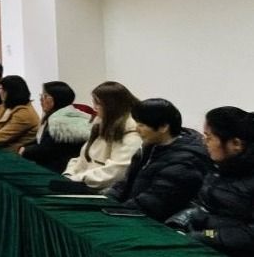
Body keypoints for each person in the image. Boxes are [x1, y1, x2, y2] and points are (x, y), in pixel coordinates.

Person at [167, 107, 254, 256]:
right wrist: (181, 220)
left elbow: (249, 234)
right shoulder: (220, 166)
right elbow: (202, 205)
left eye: (209, 137)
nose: (204, 141)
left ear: (236, 144)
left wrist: (202, 236)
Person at [105, 99, 210, 221]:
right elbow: (125, 184)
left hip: (152, 222)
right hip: (130, 213)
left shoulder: (186, 161)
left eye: (142, 125)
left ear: (163, 127)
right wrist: (105, 200)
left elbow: (154, 203)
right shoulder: (150, 146)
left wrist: (114, 212)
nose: (137, 129)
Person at [63, 81, 142, 190]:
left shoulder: (131, 134)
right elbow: (82, 159)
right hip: (85, 185)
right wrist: (69, 174)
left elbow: (116, 172)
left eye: (98, 104)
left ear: (112, 106)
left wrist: (78, 179)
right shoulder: (100, 125)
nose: (94, 108)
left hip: (104, 192)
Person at [20, 81, 92, 173]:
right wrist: (25, 147)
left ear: (56, 99)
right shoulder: (55, 117)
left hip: (60, 170)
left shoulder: (61, 123)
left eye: (45, 96)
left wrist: (25, 151)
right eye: (41, 96)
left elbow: (46, 150)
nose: (41, 99)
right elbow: (42, 140)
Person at [0, 75, 39, 152]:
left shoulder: (24, 114)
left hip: (11, 153)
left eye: (0, 88)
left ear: (9, 91)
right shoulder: (7, 107)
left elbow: (1, 137)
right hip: (0, 149)